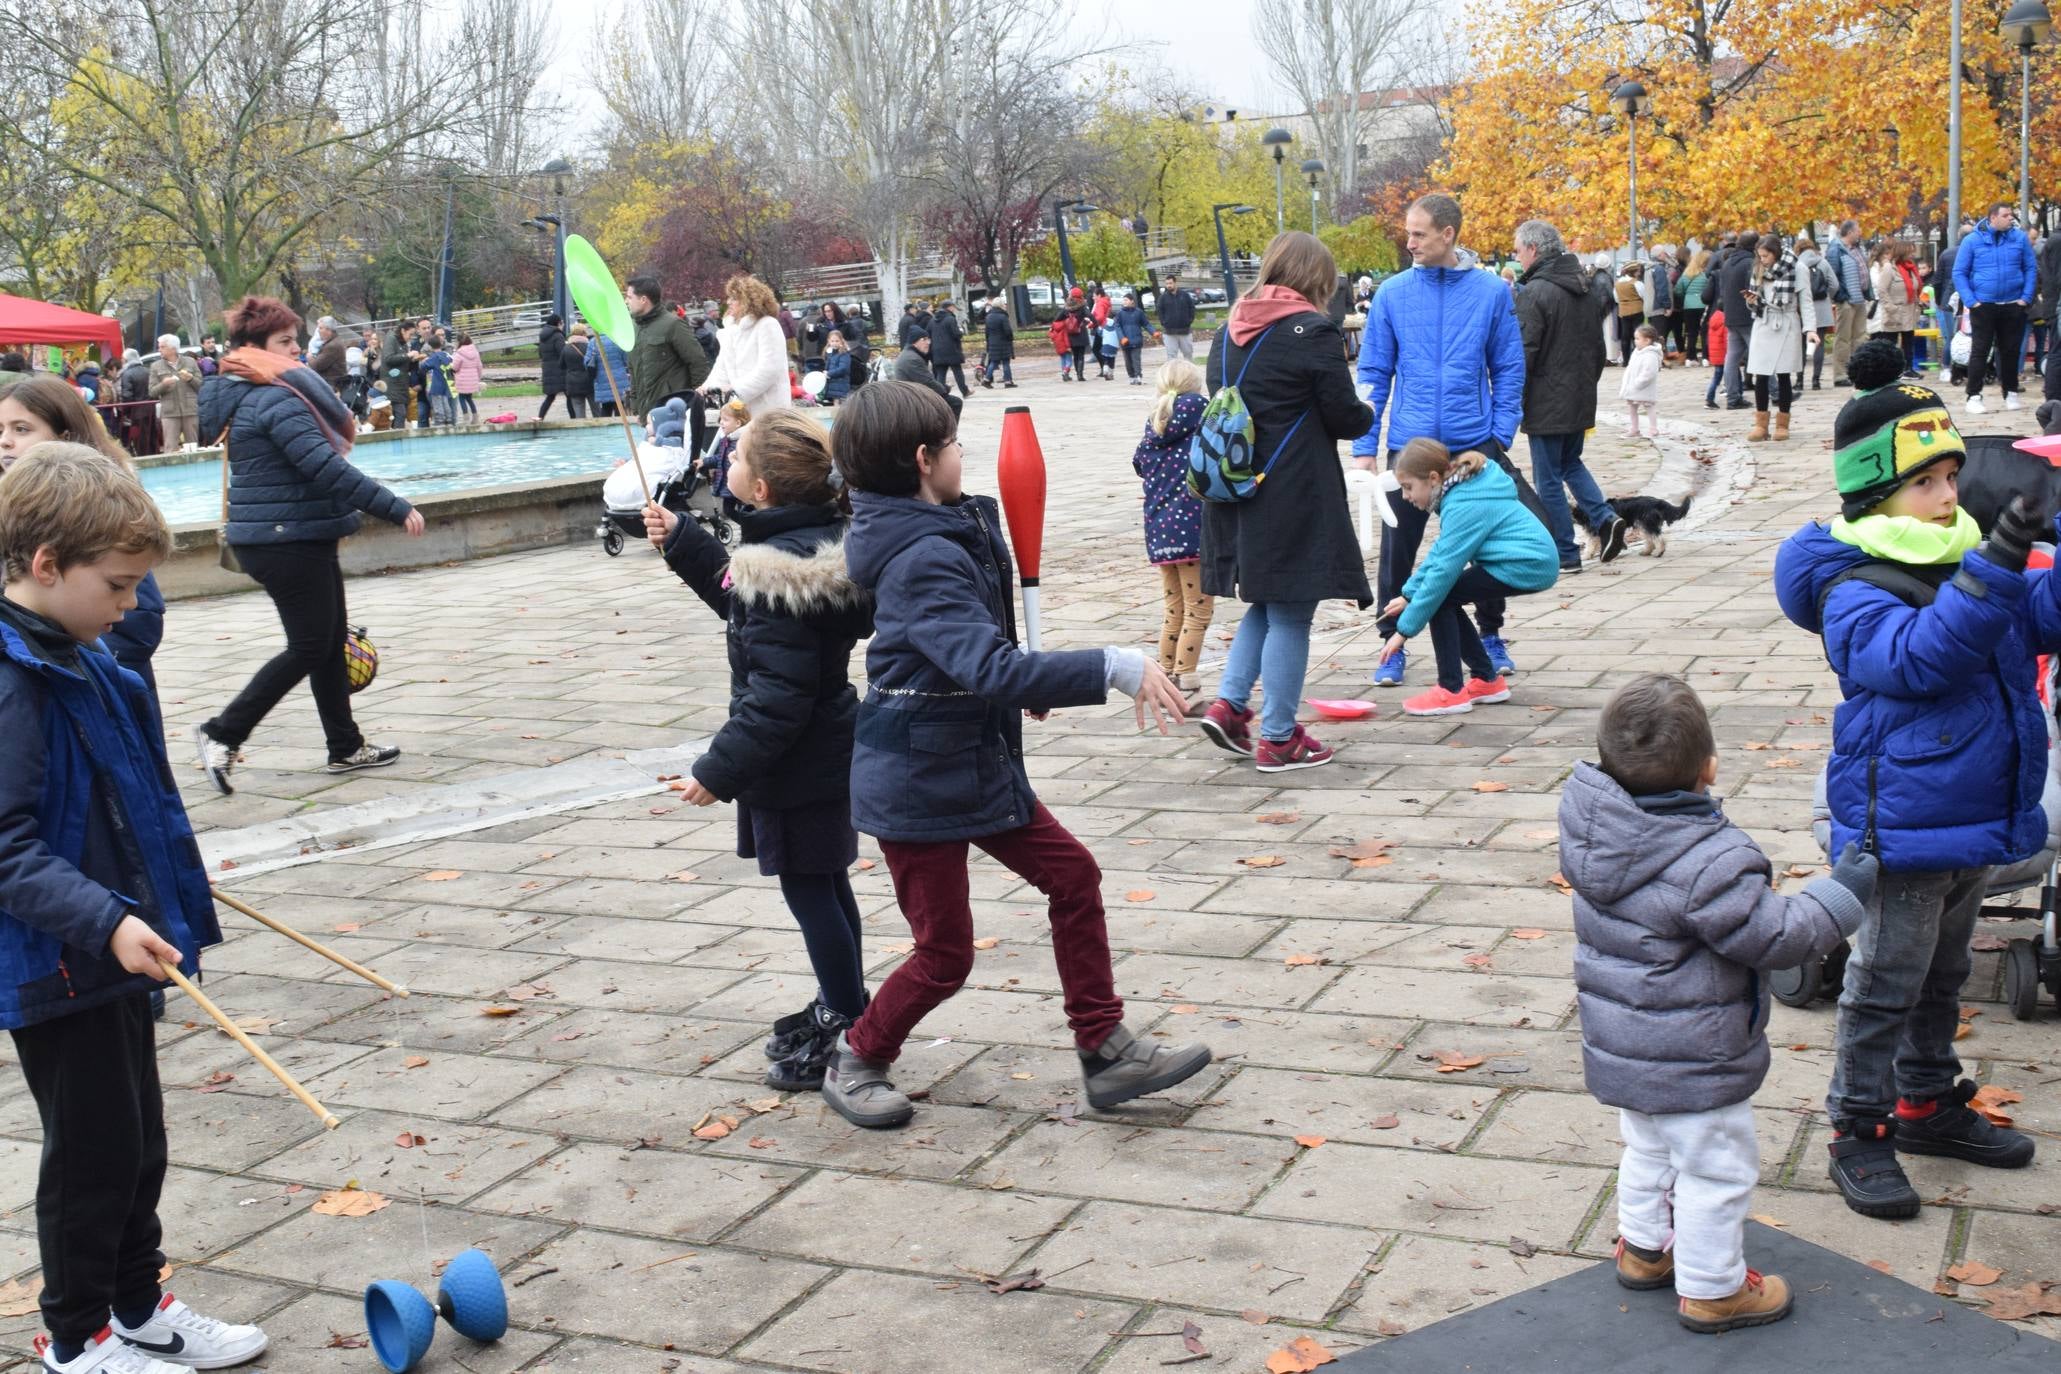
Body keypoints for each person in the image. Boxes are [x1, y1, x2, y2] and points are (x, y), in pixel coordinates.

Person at [823, 380, 1202, 1130]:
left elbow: (972, 654)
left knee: (1071, 875)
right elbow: (983, 665)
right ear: (925, 459)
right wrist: (1109, 665)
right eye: (956, 444)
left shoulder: (927, 528)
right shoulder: (920, 553)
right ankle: (857, 1056)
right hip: (915, 780)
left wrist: (1003, 678)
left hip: (967, 755)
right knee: (945, 953)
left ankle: (1104, 1047)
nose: (967, 455)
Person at [0, 443, 274, 1374]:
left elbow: (132, 799)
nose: (130, 607)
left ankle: (137, 1304)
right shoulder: (12, 682)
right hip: (59, 960)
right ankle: (76, 1340)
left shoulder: (80, 653)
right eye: (118, 588)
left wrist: (162, 891)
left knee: (139, 1141)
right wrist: (110, 917)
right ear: (45, 567)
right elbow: (6, 849)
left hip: (112, 946)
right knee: (90, 1158)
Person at [1774, 339, 2051, 1221]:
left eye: (1950, 479)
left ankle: (1925, 1101)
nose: (1945, 500)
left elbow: (2033, 617)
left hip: (1972, 815)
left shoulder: (1967, 559)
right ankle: (1858, 1127)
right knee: (1884, 981)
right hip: (1901, 824)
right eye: (1924, 484)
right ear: (1874, 492)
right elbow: (1918, 660)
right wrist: (1994, 570)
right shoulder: (1853, 583)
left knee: (1941, 975)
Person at [1562, 674, 1874, 1332]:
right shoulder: (1709, 859)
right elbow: (1778, 937)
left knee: (1647, 1146)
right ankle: (1712, 1288)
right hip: (1695, 1058)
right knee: (1716, 1169)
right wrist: (1841, 894)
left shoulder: (1596, 833)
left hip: (1624, 1048)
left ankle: (1645, 1250)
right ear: (1708, 766)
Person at [643, 411, 874, 1091]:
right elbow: (750, 606)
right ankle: (848, 1002)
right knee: (828, 883)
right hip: (830, 748)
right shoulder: (809, 549)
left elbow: (775, 697)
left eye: (738, 457)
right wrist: (685, 542)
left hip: (793, 764)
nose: (728, 464)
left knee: (812, 892)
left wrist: (717, 772)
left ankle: (844, 1019)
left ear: (763, 490)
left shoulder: (774, 567)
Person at [190, 296, 426, 794]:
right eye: (285, 342)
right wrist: (395, 506)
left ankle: (344, 746)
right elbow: (324, 466)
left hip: (295, 534)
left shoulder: (255, 390)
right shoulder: (272, 398)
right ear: (253, 348)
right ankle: (221, 732)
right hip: (286, 540)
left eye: (296, 340)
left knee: (327, 644)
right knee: (311, 645)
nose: (297, 350)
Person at [1198, 232, 1375, 771]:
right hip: (1293, 488)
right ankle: (1278, 737)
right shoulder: (1312, 331)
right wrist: (1369, 411)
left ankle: (1229, 705)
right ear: (1316, 280)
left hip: (1238, 485)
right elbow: (1343, 414)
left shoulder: (1229, 330)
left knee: (1266, 600)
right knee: (1293, 611)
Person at [1353, 193, 1530, 689]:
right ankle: (1391, 641)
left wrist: (1499, 435)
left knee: (1486, 547)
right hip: (1409, 444)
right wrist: (1366, 446)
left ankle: (1491, 635)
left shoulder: (1492, 293)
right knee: (1397, 546)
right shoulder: (1391, 293)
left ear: (1448, 234)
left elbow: (1509, 367)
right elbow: (1372, 372)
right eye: (1407, 233)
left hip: (1473, 444)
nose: (1409, 243)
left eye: (1419, 234)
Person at [0, 377, 166, 697]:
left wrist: (88, 669)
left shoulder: (102, 514)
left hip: (92, 684)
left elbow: (138, 620)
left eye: (21, 429)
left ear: (64, 437)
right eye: (0, 429)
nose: (6, 441)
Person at [1376, 440, 1558, 715]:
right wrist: (1408, 594)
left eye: (1408, 487)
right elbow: (1441, 553)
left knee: (1440, 596)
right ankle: (1487, 681)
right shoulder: (1460, 493)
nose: (1405, 496)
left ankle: (1450, 691)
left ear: (1434, 478)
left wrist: (1403, 631)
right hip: (1514, 561)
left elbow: (1443, 573)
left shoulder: (1465, 503)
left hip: (1526, 564)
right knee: (1442, 596)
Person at [1512, 219, 1625, 575]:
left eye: (1518, 251)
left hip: (1547, 398)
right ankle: (1606, 518)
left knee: (1548, 478)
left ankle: (1566, 551)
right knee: (1570, 463)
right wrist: (1586, 384)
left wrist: (1513, 396)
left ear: (1532, 249)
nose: (1517, 259)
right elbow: (1597, 347)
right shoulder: (1586, 287)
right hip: (1579, 393)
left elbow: (1525, 351)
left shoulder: (1535, 292)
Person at [1133, 358, 1212, 708]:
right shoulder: (1204, 421)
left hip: (1161, 533)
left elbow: (1138, 464)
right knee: (1199, 609)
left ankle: (1163, 677)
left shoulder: (1155, 426)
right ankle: (1188, 684)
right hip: (1194, 532)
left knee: (1174, 608)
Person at [1954, 202, 2037, 414]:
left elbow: (2030, 268)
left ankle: (2011, 393)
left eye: (2012, 215)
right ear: (1993, 218)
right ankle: (1974, 396)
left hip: (2013, 304)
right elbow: (1959, 272)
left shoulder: (2019, 238)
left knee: (2010, 351)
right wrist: (1972, 301)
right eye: (2006, 215)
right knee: (1980, 351)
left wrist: (2026, 297)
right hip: (1984, 305)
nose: (2011, 218)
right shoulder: (1972, 240)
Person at [1744, 235, 1815, 442]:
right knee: (1760, 373)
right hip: (1764, 321)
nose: (1763, 259)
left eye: (1766, 256)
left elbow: (1806, 300)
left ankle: (1782, 424)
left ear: (1775, 253)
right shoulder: (1759, 267)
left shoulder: (1797, 268)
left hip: (1787, 321)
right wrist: (1751, 301)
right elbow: (1757, 299)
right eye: (1760, 256)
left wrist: (1810, 329)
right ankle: (1760, 424)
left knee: (1784, 375)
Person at [701, 276, 795, 425]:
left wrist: (736, 391)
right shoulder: (731, 331)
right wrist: (707, 388)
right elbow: (722, 367)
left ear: (748, 301)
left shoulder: (768, 325)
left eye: (734, 298)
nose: (728, 302)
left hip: (768, 410)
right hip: (739, 412)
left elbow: (769, 369)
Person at [1717, 230, 1760, 409]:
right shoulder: (1750, 263)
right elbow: (1753, 289)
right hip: (1746, 315)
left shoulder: (1727, 263)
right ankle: (1776, 392)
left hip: (1731, 315)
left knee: (1732, 358)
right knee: (1761, 354)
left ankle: (1732, 397)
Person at [1827, 221, 1873, 385]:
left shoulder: (1856, 249)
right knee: (1843, 338)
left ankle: (1858, 371)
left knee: (1859, 337)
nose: (1860, 233)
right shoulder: (1835, 249)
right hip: (1846, 300)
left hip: (1859, 299)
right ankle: (1840, 375)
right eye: (1858, 230)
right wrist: (1840, 298)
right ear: (1850, 232)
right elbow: (1831, 276)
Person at [1870, 240, 1923, 377]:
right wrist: (1890, 307)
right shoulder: (1889, 268)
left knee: (1909, 342)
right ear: (1902, 252)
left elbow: (1915, 288)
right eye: (1910, 251)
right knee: (1890, 343)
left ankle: (1908, 368)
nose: (1913, 254)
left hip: (1910, 310)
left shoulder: (1911, 269)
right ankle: (1889, 371)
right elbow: (1882, 289)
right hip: (1895, 311)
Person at [1795, 234, 1835, 389]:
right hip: (1822, 307)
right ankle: (1816, 380)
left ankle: (1799, 380)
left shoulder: (1797, 264)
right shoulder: (1823, 262)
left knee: (1801, 345)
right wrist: (1827, 296)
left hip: (1802, 308)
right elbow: (1834, 284)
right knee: (1819, 343)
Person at [147, 335, 201, 449]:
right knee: (170, 447)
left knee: (193, 447)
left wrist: (191, 378)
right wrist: (163, 384)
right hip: (169, 413)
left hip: (190, 411)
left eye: (162, 347)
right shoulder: (155, 366)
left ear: (173, 348)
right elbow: (152, 392)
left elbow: (201, 387)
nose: (159, 350)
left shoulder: (190, 362)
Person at [1620, 322, 1663, 438]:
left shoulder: (1650, 355)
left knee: (1649, 407)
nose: (1635, 341)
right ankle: (1634, 429)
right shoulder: (1636, 352)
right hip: (1633, 387)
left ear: (1647, 340)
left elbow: (1649, 373)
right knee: (1632, 408)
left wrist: (1638, 383)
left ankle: (1653, 429)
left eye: (1638, 338)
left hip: (1644, 388)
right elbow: (1631, 367)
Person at [584, 328, 631, 417]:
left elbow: (587, 362)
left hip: (601, 379)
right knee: (620, 407)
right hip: (619, 379)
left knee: (606, 407)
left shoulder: (593, 342)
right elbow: (627, 360)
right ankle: (621, 428)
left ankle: (604, 429)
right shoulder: (617, 340)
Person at [1675, 248, 1710, 363]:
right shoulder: (1704, 276)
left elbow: (1678, 290)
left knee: (1691, 332)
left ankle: (1690, 358)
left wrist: (1686, 296)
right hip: (1702, 305)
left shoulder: (1686, 275)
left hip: (1688, 306)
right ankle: (1705, 357)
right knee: (1704, 332)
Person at [928, 302, 969, 397]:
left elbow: (928, 333)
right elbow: (956, 334)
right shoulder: (950, 319)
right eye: (954, 307)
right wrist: (961, 331)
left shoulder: (932, 320)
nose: (954, 309)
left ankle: (939, 393)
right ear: (950, 307)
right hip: (952, 350)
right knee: (958, 372)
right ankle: (964, 391)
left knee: (941, 373)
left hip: (937, 350)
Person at [309, 316, 357, 395]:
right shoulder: (333, 342)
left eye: (320, 328)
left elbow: (317, 366)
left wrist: (309, 357)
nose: (318, 331)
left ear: (328, 330)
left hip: (332, 386)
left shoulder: (333, 345)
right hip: (332, 384)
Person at [418, 333, 456, 426]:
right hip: (447, 385)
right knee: (446, 404)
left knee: (438, 406)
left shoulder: (434, 357)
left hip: (436, 385)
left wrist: (423, 361)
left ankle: (440, 423)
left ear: (430, 347)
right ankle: (449, 421)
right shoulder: (446, 355)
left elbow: (423, 367)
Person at [1614, 263, 1647, 368]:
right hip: (1637, 309)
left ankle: (1626, 360)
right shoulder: (1637, 283)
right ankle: (1638, 358)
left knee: (1625, 336)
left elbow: (1616, 298)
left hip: (1623, 311)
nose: (1639, 273)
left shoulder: (1617, 283)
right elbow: (1643, 295)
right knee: (1637, 335)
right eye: (1637, 271)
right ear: (1634, 272)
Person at [536, 313, 569, 418]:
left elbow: (540, 354)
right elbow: (563, 353)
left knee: (550, 397)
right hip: (560, 370)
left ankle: (540, 417)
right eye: (562, 323)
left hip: (547, 370)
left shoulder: (543, 336)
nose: (563, 325)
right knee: (569, 395)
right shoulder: (558, 336)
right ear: (558, 323)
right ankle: (574, 419)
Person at [1158, 273, 1197, 361]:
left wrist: (1189, 321)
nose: (1169, 285)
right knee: (1171, 357)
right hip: (1169, 332)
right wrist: (1164, 323)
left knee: (1188, 355)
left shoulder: (1185, 295)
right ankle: (1172, 375)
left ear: (1175, 283)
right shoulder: (1162, 298)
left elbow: (1192, 309)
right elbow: (1160, 312)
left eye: (1170, 283)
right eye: (1167, 283)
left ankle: (1189, 374)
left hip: (1185, 331)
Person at [560, 325, 593, 420]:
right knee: (596, 410)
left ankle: (582, 432)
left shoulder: (566, 348)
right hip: (589, 381)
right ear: (584, 333)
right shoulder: (589, 346)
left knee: (579, 412)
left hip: (573, 382)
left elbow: (561, 365)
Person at [981, 299, 1015, 388]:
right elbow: (1007, 331)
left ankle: (986, 379)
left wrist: (988, 341)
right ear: (1001, 305)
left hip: (992, 341)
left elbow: (986, 332)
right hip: (1003, 342)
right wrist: (1010, 338)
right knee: (1006, 362)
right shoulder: (1003, 316)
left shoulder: (988, 317)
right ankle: (1008, 381)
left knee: (993, 361)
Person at [1115, 291, 1148, 384]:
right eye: (1123, 300)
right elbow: (1117, 327)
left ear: (1132, 301)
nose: (1124, 302)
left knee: (1136, 359)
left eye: (1126, 300)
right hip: (1125, 342)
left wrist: (1153, 332)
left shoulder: (1139, 312)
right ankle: (1131, 376)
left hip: (1136, 340)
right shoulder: (1120, 314)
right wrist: (1122, 338)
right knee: (1128, 361)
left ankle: (1138, 376)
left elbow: (1146, 324)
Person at [451, 333, 483, 422]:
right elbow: (479, 366)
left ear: (459, 342)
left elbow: (455, 367)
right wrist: (478, 378)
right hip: (472, 380)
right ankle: (475, 416)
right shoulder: (475, 352)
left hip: (462, 381)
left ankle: (466, 418)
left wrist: (451, 365)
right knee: (469, 398)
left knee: (461, 398)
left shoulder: (459, 353)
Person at [1704, 305, 1728, 411]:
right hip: (1723, 354)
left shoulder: (1714, 319)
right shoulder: (1725, 320)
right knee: (1733, 374)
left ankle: (1709, 399)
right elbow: (1726, 339)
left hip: (1715, 354)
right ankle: (1736, 396)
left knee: (1716, 378)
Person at [1066, 287, 1093, 379]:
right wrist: (1094, 323)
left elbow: (1059, 317)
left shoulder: (1068, 306)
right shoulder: (1082, 306)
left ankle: (1077, 372)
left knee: (1075, 354)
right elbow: (1089, 315)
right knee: (1081, 354)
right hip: (1081, 332)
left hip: (1071, 333)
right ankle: (1080, 375)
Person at [821, 330, 853, 404]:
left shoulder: (844, 353)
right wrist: (825, 372)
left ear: (841, 341)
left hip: (840, 384)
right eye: (832, 341)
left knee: (838, 403)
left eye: (837, 341)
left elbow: (843, 368)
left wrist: (829, 373)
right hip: (832, 384)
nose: (834, 343)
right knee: (834, 403)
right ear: (829, 341)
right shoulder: (829, 353)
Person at [1048, 308, 1078, 382]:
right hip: (1065, 345)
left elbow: (1049, 333)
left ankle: (1064, 374)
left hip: (1058, 345)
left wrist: (1054, 338)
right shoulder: (1064, 324)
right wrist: (1068, 347)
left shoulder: (1054, 324)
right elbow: (1065, 337)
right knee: (1069, 361)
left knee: (1063, 360)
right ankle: (1065, 372)